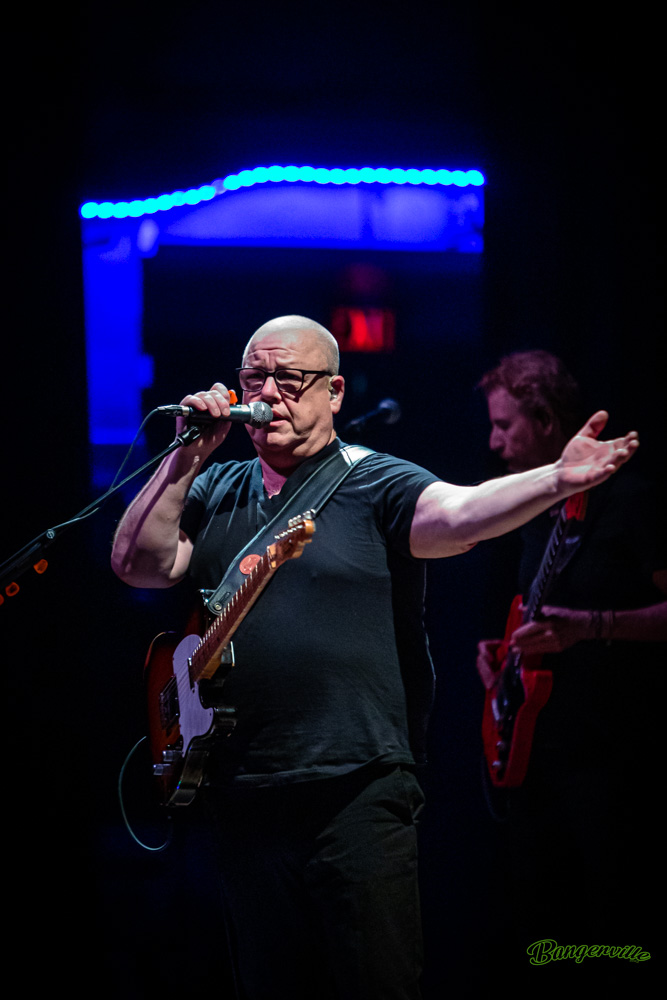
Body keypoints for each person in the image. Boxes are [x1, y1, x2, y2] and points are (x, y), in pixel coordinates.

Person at [111, 319, 638, 1000]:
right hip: (243, 795)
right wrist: (185, 458)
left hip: (356, 791)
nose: (266, 394)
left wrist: (556, 479)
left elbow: (461, 513)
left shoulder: (372, 480)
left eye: (287, 379)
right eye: (253, 379)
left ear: (333, 392)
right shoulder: (217, 487)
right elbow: (137, 564)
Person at [475, 350, 666, 964]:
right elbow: (538, 608)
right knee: (538, 932)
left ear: (546, 421)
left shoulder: (630, 501)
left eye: (505, 425)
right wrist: (506, 653)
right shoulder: (537, 512)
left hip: (613, 757)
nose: (494, 441)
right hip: (540, 757)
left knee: (611, 931)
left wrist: (590, 627)